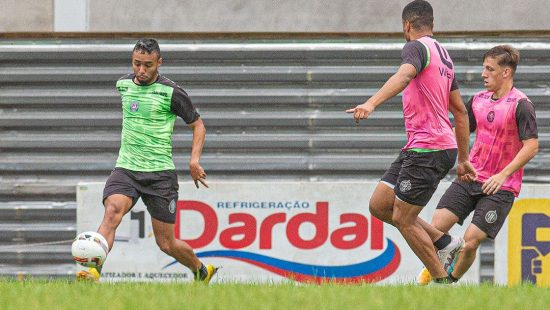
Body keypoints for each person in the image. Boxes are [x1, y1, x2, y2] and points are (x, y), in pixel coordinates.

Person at [346, 0, 476, 284]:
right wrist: (464, 158)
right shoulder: (444, 56)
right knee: (380, 205)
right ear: (432, 24)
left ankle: (443, 285)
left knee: (404, 219)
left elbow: (404, 75)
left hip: (428, 148)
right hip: (427, 146)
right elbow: (460, 111)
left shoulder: (415, 47)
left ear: (407, 26)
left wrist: (371, 103)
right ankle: (443, 242)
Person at [76, 39, 217, 283]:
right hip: (127, 168)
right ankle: (92, 272)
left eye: (148, 65)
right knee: (112, 213)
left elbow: (198, 125)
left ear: (159, 63)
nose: (141, 70)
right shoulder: (122, 85)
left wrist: (194, 161)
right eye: (137, 64)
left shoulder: (172, 93)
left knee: (166, 243)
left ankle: (201, 270)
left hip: (160, 174)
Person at [417, 45, 539, 284]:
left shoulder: (521, 104)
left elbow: (531, 146)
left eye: (489, 69)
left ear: (506, 73)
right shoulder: (477, 101)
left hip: (500, 188)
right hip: (470, 177)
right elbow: (460, 132)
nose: (483, 74)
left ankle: (447, 283)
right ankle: (436, 270)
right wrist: (430, 146)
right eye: (484, 68)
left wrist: (502, 176)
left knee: (470, 242)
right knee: (434, 229)